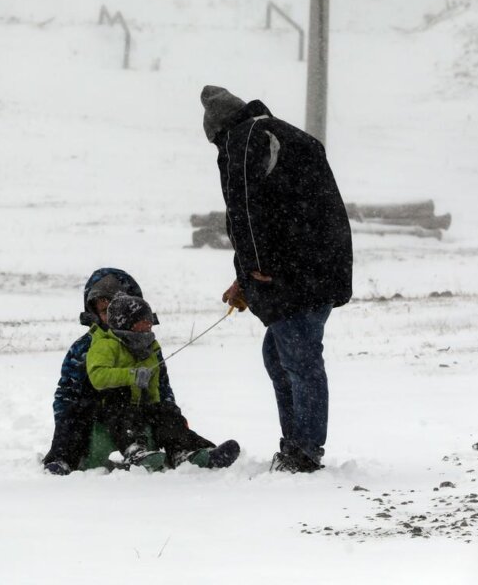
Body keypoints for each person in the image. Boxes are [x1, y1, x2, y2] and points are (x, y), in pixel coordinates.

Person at [199, 85, 353, 473]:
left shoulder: (241, 141)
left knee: (299, 358)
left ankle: (305, 450)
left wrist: (252, 267)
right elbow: (280, 207)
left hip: (291, 271)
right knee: (280, 354)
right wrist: (243, 278)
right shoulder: (282, 133)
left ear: (217, 130)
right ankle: (297, 443)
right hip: (322, 264)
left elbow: (245, 210)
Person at [42, 268, 235, 474]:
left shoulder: (147, 345)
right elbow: (67, 393)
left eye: (115, 308)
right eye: (103, 310)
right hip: (97, 413)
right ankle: (63, 459)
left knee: (165, 415)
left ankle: (188, 452)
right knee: (76, 415)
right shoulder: (85, 347)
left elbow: (161, 386)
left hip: (138, 408)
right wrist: (66, 426)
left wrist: (170, 412)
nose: (109, 315)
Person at [86, 293, 239, 471]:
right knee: (122, 410)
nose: (149, 324)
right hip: (110, 409)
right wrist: (131, 375)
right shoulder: (106, 344)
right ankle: (134, 451)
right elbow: (98, 376)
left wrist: (158, 406)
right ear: (125, 322)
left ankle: (185, 451)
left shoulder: (149, 346)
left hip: (141, 405)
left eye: (149, 320)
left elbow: (154, 385)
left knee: (167, 412)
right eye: (142, 320)